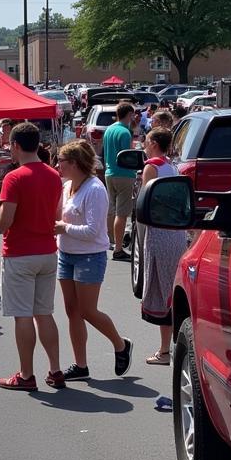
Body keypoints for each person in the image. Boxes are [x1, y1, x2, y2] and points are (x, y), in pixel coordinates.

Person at [53, 140, 132, 380]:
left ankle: (121, 344)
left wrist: (63, 228)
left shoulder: (95, 189)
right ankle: (81, 366)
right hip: (66, 254)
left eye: (61, 161)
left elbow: (94, 230)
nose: (58, 165)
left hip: (90, 256)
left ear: (74, 163)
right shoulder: (67, 186)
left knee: (87, 311)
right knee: (72, 311)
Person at [0, 122, 64, 391]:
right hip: (47, 250)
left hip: (20, 252)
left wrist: (1, 213)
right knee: (44, 313)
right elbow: (57, 215)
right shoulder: (53, 175)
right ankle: (55, 370)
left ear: (15, 146)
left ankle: (26, 374)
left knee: (22, 316)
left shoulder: (14, 177)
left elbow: (4, 222)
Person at [139, 128, 189, 369]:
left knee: (161, 288)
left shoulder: (152, 166)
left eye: (147, 140)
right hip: (176, 231)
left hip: (159, 231)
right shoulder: (173, 166)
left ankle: (165, 350)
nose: (144, 144)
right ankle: (173, 347)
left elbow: (145, 200)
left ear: (155, 143)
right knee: (172, 285)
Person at [101, 102, 138, 260]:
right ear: (129, 114)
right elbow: (127, 156)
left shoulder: (109, 129)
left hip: (109, 172)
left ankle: (110, 240)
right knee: (122, 213)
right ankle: (118, 248)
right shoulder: (125, 132)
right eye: (133, 115)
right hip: (123, 174)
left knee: (112, 208)